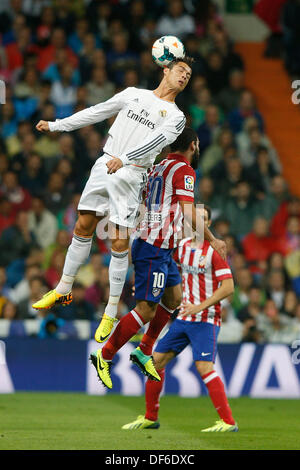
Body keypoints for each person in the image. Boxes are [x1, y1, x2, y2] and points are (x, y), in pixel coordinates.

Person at [31, 57, 194, 321]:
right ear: (166, 70)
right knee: (83, 226)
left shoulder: (176, 117)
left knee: (119, 241)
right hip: (106, 162)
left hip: (132, 174)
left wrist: (126, 159)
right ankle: (63, 288)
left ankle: (110, 310)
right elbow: (97, 111)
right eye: (180, 70)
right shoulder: (134, 95)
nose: (184, 76)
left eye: (188, 74)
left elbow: (156, 143)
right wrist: (57, 125)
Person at [90, 127, 226, 389]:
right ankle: (104, 356)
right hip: (154, 246)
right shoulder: (185, 170)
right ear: (194, 145)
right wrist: (213, 239)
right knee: (146, 309)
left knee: (174, 298)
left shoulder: (159, 165)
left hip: (160, 246)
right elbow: (188, 210)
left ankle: (144, 350)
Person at [122, 206, 238, 433]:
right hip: (184, 318)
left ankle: (228, 422)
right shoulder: (181, 247)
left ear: (209, 225)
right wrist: (147, 285)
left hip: (205, 318)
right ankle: (150, 417)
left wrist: (199, 306)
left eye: (203, 219)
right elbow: (162, 269)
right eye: (195, 218)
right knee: (155, 363)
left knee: (204, 366)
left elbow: (229, 288)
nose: (197, 222)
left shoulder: (213, 251)